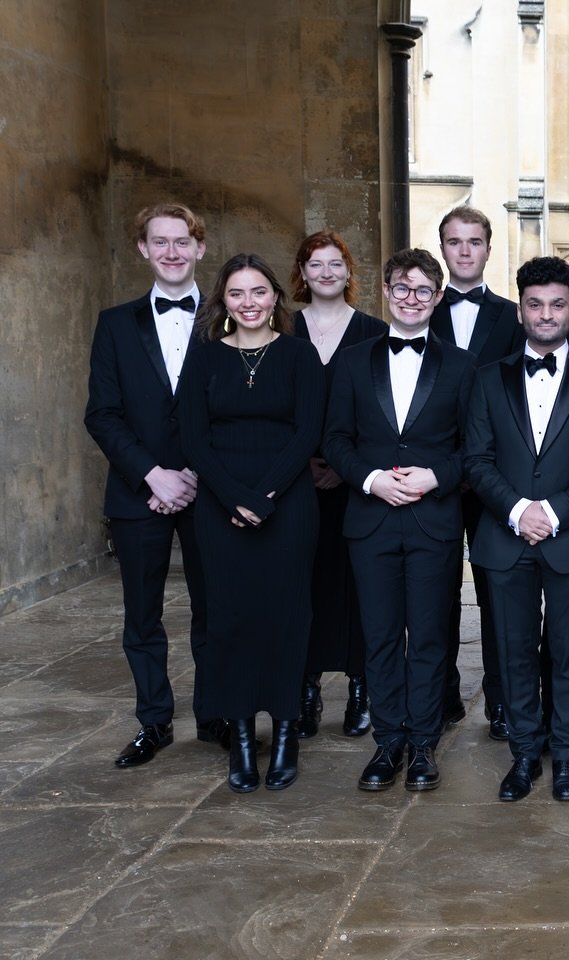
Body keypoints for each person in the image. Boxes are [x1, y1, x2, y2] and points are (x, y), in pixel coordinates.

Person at [324, 248, 478, 793]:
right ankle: (387, 742)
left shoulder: (461, 366)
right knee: (381, 636)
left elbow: (474, 448)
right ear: (385, 293)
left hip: (434, 520)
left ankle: (423, 746)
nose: (411, 299)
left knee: (432, 636)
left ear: (437, 299)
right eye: (401, 288)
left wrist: (436, 476)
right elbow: (335, 439)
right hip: (370, 520)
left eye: (422, 290)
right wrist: (370, 479)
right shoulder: (352, 360)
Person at [465, 257, 569, 802]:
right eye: (534, 304)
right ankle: (525, 754)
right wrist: (517, 510)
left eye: (556, 304)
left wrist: (552, 512)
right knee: (513, 650)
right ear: (520, 309)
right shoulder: (487, 379)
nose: (545, 314)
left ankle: (568, 757)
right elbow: (476, 460)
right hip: (504, 539)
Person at [178, 254, 324, 792]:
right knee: (231, 620)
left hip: (288, 505)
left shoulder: (300, 356)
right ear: (223, 301)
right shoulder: (204, 359)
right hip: (220, 508)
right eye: (237, 294)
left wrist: (265, 495)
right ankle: (241, 740)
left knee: (288, 616)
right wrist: (235, 497)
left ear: (275, 298)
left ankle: (285, 734)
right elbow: (193, 438)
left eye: (259, 292)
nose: (249, 303)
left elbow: (308, 431)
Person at [85, 202, 221, 767]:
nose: (171, 252)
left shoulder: (226, 320)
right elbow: (103, 414)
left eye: (181, 242)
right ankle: (154, 721)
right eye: (159, 242)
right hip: (138, 490)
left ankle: (216, 712)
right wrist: (154, 474)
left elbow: (232, 411)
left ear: (200, 249)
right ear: (143, 249)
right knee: (142, 614)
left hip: (207, 489)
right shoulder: (115, 324)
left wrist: (195, 472)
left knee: (213, 607)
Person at [290, 230, 388, 738]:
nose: (326, 272)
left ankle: (360, 687)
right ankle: (304, 688)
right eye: (315, 264)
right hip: (293, 483)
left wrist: (342, 465)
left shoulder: (374, 331)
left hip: (355, 482)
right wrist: (302, 463)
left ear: (350, 273)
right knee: (301, 585)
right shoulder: (282, 329)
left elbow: (382, 412)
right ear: (301, 274)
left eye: (335, 264)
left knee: (357, 587)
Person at [432, 205, 523, 738]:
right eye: (453, 242)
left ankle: (503, 700)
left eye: (473, 241)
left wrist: (482, 467)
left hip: (493, 482)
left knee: (498, 595)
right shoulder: (420, 310)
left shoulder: (513, 316)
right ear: (442, 249)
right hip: (436, 480)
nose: (464, 251)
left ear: (488, 248)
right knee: (437, 591)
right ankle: (441, 694)